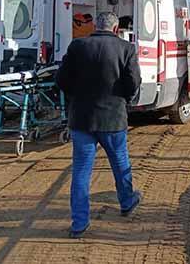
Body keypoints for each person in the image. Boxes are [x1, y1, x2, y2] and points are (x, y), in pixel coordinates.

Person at [57, 12, 142, 238]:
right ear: (115, 29)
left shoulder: (77, 46)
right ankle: (126, 202)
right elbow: (133, 83)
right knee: (120, 162)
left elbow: (61, 80)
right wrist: (124, 100)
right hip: (113, 119)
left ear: (95, 26)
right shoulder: (126, 49)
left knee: (81, 171)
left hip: (82, 119)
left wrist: (78, 95)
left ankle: (79, 224)